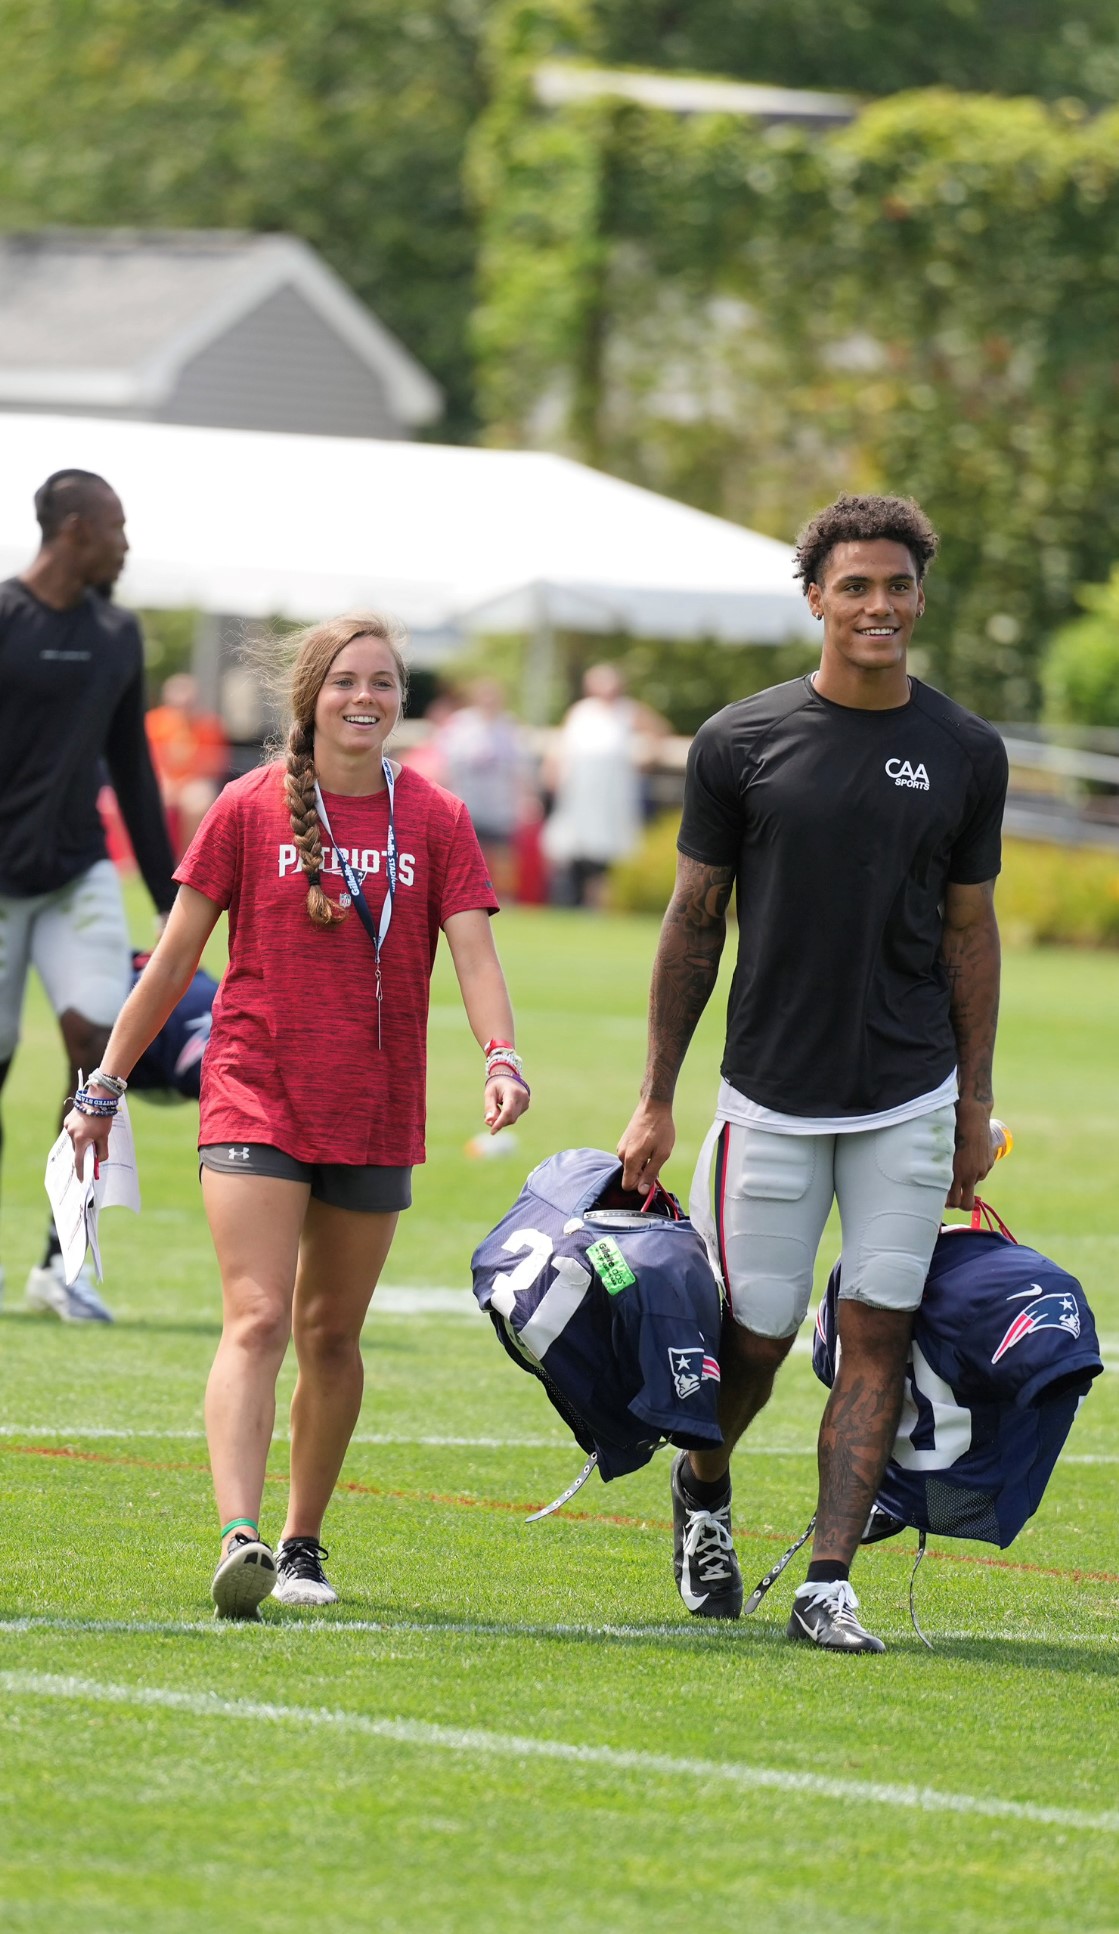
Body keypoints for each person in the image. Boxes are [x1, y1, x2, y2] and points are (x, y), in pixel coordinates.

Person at [65, 612, 530, 1621]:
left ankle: (302, 1537)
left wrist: (501, 1055)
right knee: (261, 1314)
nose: (367, 698)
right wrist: (102, 1083)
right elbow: (176, 958)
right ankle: (240, 1536)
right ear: (309, 697)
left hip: (374, 1103)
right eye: (347, 681)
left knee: (331, 1331)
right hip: (254, 1089)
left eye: (385, 683)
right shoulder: (245, 807)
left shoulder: (439, 819)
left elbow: (477, 956)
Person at [618, 494, 1008, 1654]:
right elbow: (694, 920)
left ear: (920, 598)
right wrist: (655, 1093)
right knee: (759, 1333)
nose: (879, 605)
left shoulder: (966, 750)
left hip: (909, 1092)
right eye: (856, 587)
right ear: (816, 601)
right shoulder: (740, 741)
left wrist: (975, 1098)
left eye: (897, 586)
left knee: (878, 1331)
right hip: (769, 1096)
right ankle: (703, 1487)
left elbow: (971, 933)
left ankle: (829, 1578)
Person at [0, 469, 177, 1323]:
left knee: (95, 1054)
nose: (125, 543)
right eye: (115, 526)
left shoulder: (115, 633)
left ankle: (61, 1266)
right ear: (74, 529)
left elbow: (134, 768)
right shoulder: (4, 616)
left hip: (77, 876)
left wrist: (173, 893)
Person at [542, 664, 668, 908]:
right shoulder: (580, 712)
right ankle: (570, 900)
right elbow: (561, 745)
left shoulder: (629, 711)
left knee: (605, 852)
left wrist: (647, 759)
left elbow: (658, 732)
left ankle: (596, 903)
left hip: (611, 794)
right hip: (580, 791)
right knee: (574, 847)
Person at [440, 678, 532, 902]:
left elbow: (520, 769)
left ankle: (506, 899)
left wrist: (524, 800)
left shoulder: (509, 729)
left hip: (500, 806)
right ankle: (466, 897)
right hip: (467, 803)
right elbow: (446, 765)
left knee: (503, 857)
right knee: (466, 855)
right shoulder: (460, 726)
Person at [145, 672, 230, 857]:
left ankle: (188, 858)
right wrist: (167, 782)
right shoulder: (153, 723)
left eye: (188, 703)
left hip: (193, 783)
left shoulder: (209, 725)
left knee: (199, 801)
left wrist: (183, 784)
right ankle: (150, 856)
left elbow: (214, 765)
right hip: (162, 781)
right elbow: (147, 762)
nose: (183, 708)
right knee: (147, 797)